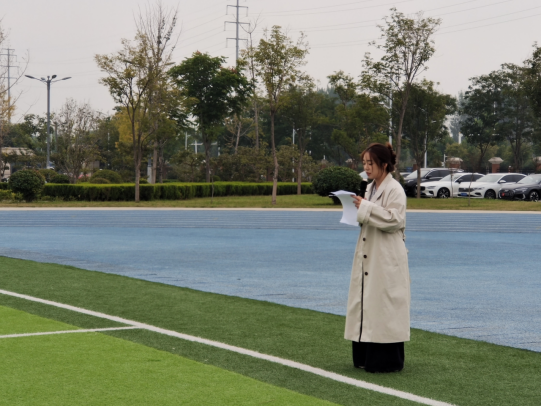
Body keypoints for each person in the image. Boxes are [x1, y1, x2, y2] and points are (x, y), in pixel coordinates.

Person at [345, 142, 410, 373]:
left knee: (384, 304)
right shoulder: (370, 187)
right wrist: (356, 209)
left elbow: (394, 220)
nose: (366, 167)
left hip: (386, 254)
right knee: (366, 301)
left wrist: (365, 208)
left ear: (383, 164)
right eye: (364, 163)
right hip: (369, 250)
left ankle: (386, 360)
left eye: (370, 163)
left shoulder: (395, 189)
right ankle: (364, 355)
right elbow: (369, 215)